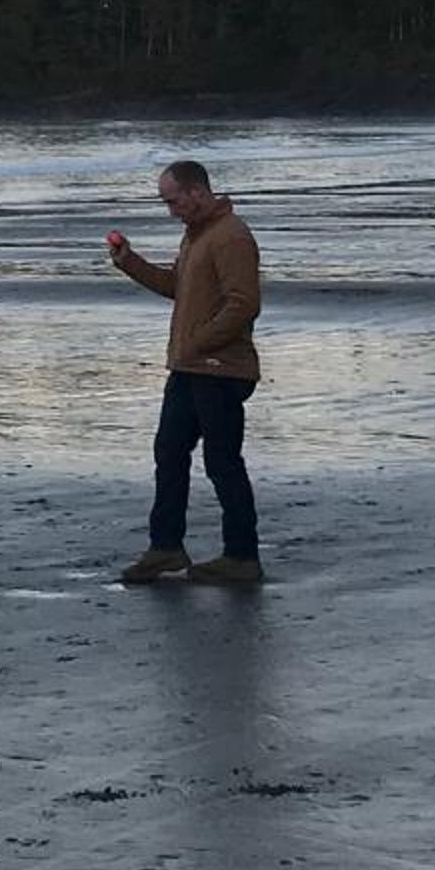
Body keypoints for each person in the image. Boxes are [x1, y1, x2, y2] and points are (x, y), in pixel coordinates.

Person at [105, 158, 263, 584]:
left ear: (197, 191)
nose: (170, 210)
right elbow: (177, 287)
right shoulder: (196, 235)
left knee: (222, 463)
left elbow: (244, 304)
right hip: (190, 368)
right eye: (166, 202)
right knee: (169, 453)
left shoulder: (231, 236)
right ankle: (166, 548)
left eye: (173, 201)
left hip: (221, 370)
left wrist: (198, 342)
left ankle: (242, 556)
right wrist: (130, 261)